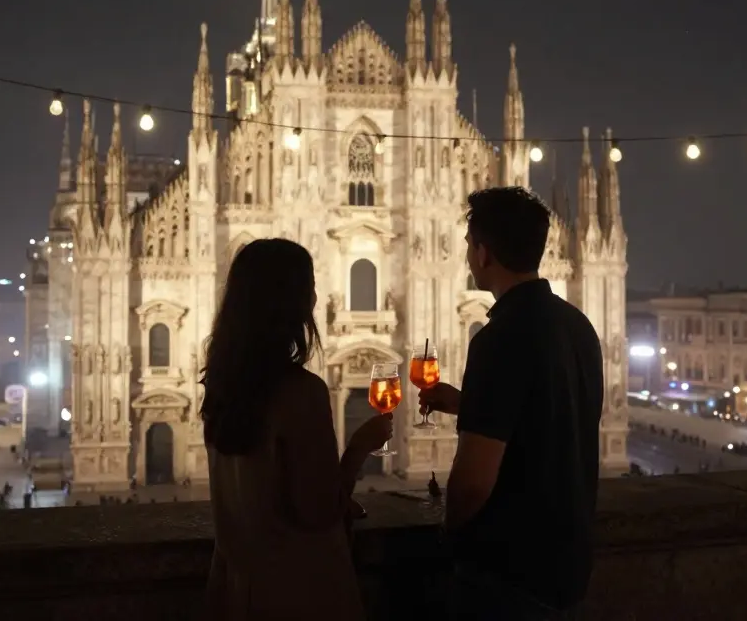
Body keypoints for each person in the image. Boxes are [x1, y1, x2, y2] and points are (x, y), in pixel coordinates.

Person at [420, 187, 604, 620]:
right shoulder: (578, 326)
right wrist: (470, 405)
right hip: (568, 570)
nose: (466, 256)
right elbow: (549, 419)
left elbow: (471, 485)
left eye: (468, 245)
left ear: (484, 254)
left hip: (507, 579)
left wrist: (448, 529)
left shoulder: (499, 338)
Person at [201, 238, 392, 621]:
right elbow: (318, 509)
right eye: (310, 287)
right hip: (298, 592)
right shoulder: (300, 392)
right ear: (292, 304)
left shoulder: (221, 387)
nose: (317, 298)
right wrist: (357, 450)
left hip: (237, 591)